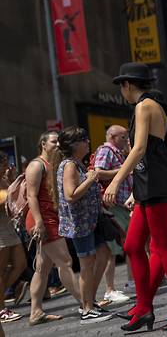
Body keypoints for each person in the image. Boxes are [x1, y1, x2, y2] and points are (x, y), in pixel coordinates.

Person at [104, 62, 167, 331]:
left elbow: (140, 147)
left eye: (121, 86)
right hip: (149, 184)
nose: (122, 90)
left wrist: (116, 181)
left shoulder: (144, 106)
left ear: (127, 85)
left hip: (156, 184)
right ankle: (144, 308)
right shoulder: (156, 106)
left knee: (165, 247)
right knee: (132, 246)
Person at [55, 127, 113, 324]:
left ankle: (90, 301)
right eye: (83, 139)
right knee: (87, 263)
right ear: (74, 145)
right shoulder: (69, 165)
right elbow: (71, 195)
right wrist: (90, 179)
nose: (88, 142)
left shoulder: (77, 164)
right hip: (79, 223)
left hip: (89, 220)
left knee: (102, 253)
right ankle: (87, 308)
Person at [26, 131, 81, 326]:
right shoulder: (36, 165)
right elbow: (31, 196)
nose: (58, 144)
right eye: (54, 141)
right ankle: (86, 304)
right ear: (43, 144)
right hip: (42, 220)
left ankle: (35, 312)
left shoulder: (53, 164)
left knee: (42, 267)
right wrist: (39, 222)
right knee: (65, 261)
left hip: (50, 218)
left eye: (59, 141)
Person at [92, 125, 132, 305]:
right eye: (124, 137)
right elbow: (98, 173)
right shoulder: (106, 150)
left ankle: (131, 281)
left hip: (121, 205)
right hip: (113, 205)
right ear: (114, 137)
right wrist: (122, 171)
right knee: (112, 249)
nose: (126, 140)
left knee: (126, 245)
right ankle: (109, 289)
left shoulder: (118, 152)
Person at [0, 153, 26, 323]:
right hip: (1, 231)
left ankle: (1, 297)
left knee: (21, 264)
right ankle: (1, 309)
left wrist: (12, 180)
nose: (6, 166)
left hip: (8, 228)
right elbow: (6, 201)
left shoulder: (3, 179)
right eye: (3, 163)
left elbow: (11, 200)